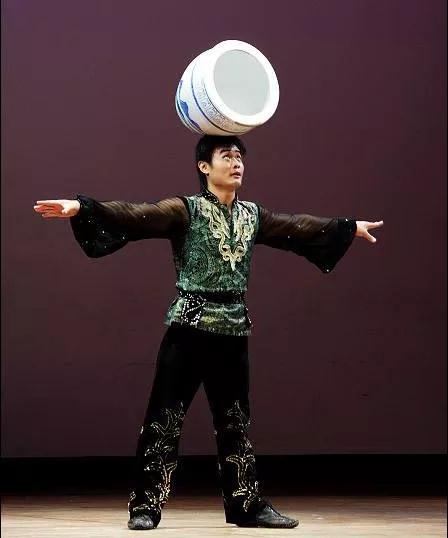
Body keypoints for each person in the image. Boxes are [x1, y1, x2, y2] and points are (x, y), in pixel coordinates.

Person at [33, 135, 383, 530]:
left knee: (235, 422)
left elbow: (296, 227)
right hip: (189, 328)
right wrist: (83, 207)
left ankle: (245, 504)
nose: (236, 163)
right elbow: (136, 215)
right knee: (165, 417)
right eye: (226, 156)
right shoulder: (185, 210)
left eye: (239, 157)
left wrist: (347, 228)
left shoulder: (252, 215)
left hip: (233, 329)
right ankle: (145, 506)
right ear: (204, 166)